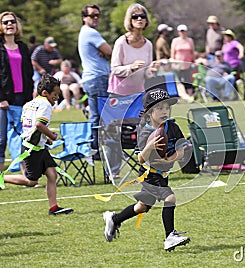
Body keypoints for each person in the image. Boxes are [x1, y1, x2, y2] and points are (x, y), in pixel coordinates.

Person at [102, 87, 190, 251]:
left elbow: (182, 148)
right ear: (149, 113)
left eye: (167, 107)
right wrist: (149, 146)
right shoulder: (144, 131)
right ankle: (170, 236)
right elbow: (140, 158)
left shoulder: (173, 127)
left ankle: (115, 219)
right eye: (159, 108)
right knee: (170, 198)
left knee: (142, 207)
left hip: (163, 174)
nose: (165, 111)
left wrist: (172, 158)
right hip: (150, 175)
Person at [0, 74, 74, 215]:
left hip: (36, 145)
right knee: (31, 181)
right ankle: (0, 178)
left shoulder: (30, 103)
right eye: (55, 94)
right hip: (33, 148)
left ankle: (54, 208)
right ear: (45, 93)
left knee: (52, 174)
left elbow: (32, 126)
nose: (57, 98)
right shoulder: (45, 105)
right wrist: (52, 135)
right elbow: (39, 124)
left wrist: (46, 138)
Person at [107, 3, 155, 177]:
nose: (139, 19)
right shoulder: (122, 42)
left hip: (138, 94)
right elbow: (114, 69)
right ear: (130, 20)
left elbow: (147, 72)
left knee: (143, 129)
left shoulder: (148, 44)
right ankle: (114, 171)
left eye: (142, 16)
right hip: (119, 93)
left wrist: (152, 70)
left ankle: (146, 166)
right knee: (115, 132)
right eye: (135, 17)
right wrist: (131, 67)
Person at [0, 11, 34, 176]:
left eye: (12, 22)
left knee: (23, 137)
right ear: (0, 26)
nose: (9, 25)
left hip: (22, 98)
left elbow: (28, 73)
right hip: (2, 100)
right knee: (1, 140)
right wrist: (0, 98)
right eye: (5, 22)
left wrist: (30, 97)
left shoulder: (22, 47)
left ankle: (24, 173)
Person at [78, 4, 112, 154]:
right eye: (92, 15)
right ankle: (100, 148)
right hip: (97, 78)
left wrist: (103, 52)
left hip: (91, 78)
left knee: (95, 116)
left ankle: (95, 148)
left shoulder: (85, 32)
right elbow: (110, 51)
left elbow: (106, 51)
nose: (96, 18)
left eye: (98, 15)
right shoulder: (91, 33)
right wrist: (104, 52)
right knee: (105, 116)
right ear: (84, 18)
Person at [170, 24, 195, 96]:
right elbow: (172, 53)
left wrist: (193, 62)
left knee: (189, 81)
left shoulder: (190, 40)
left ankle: (190, 97)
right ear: (178, 32)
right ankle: (180, 96)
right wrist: (173, 63)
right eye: (181, 31)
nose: (182, 32)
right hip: (178, 65)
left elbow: (192, 52)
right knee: (178, 82)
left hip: (187, 64)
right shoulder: (175, 41)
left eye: (184, 31)